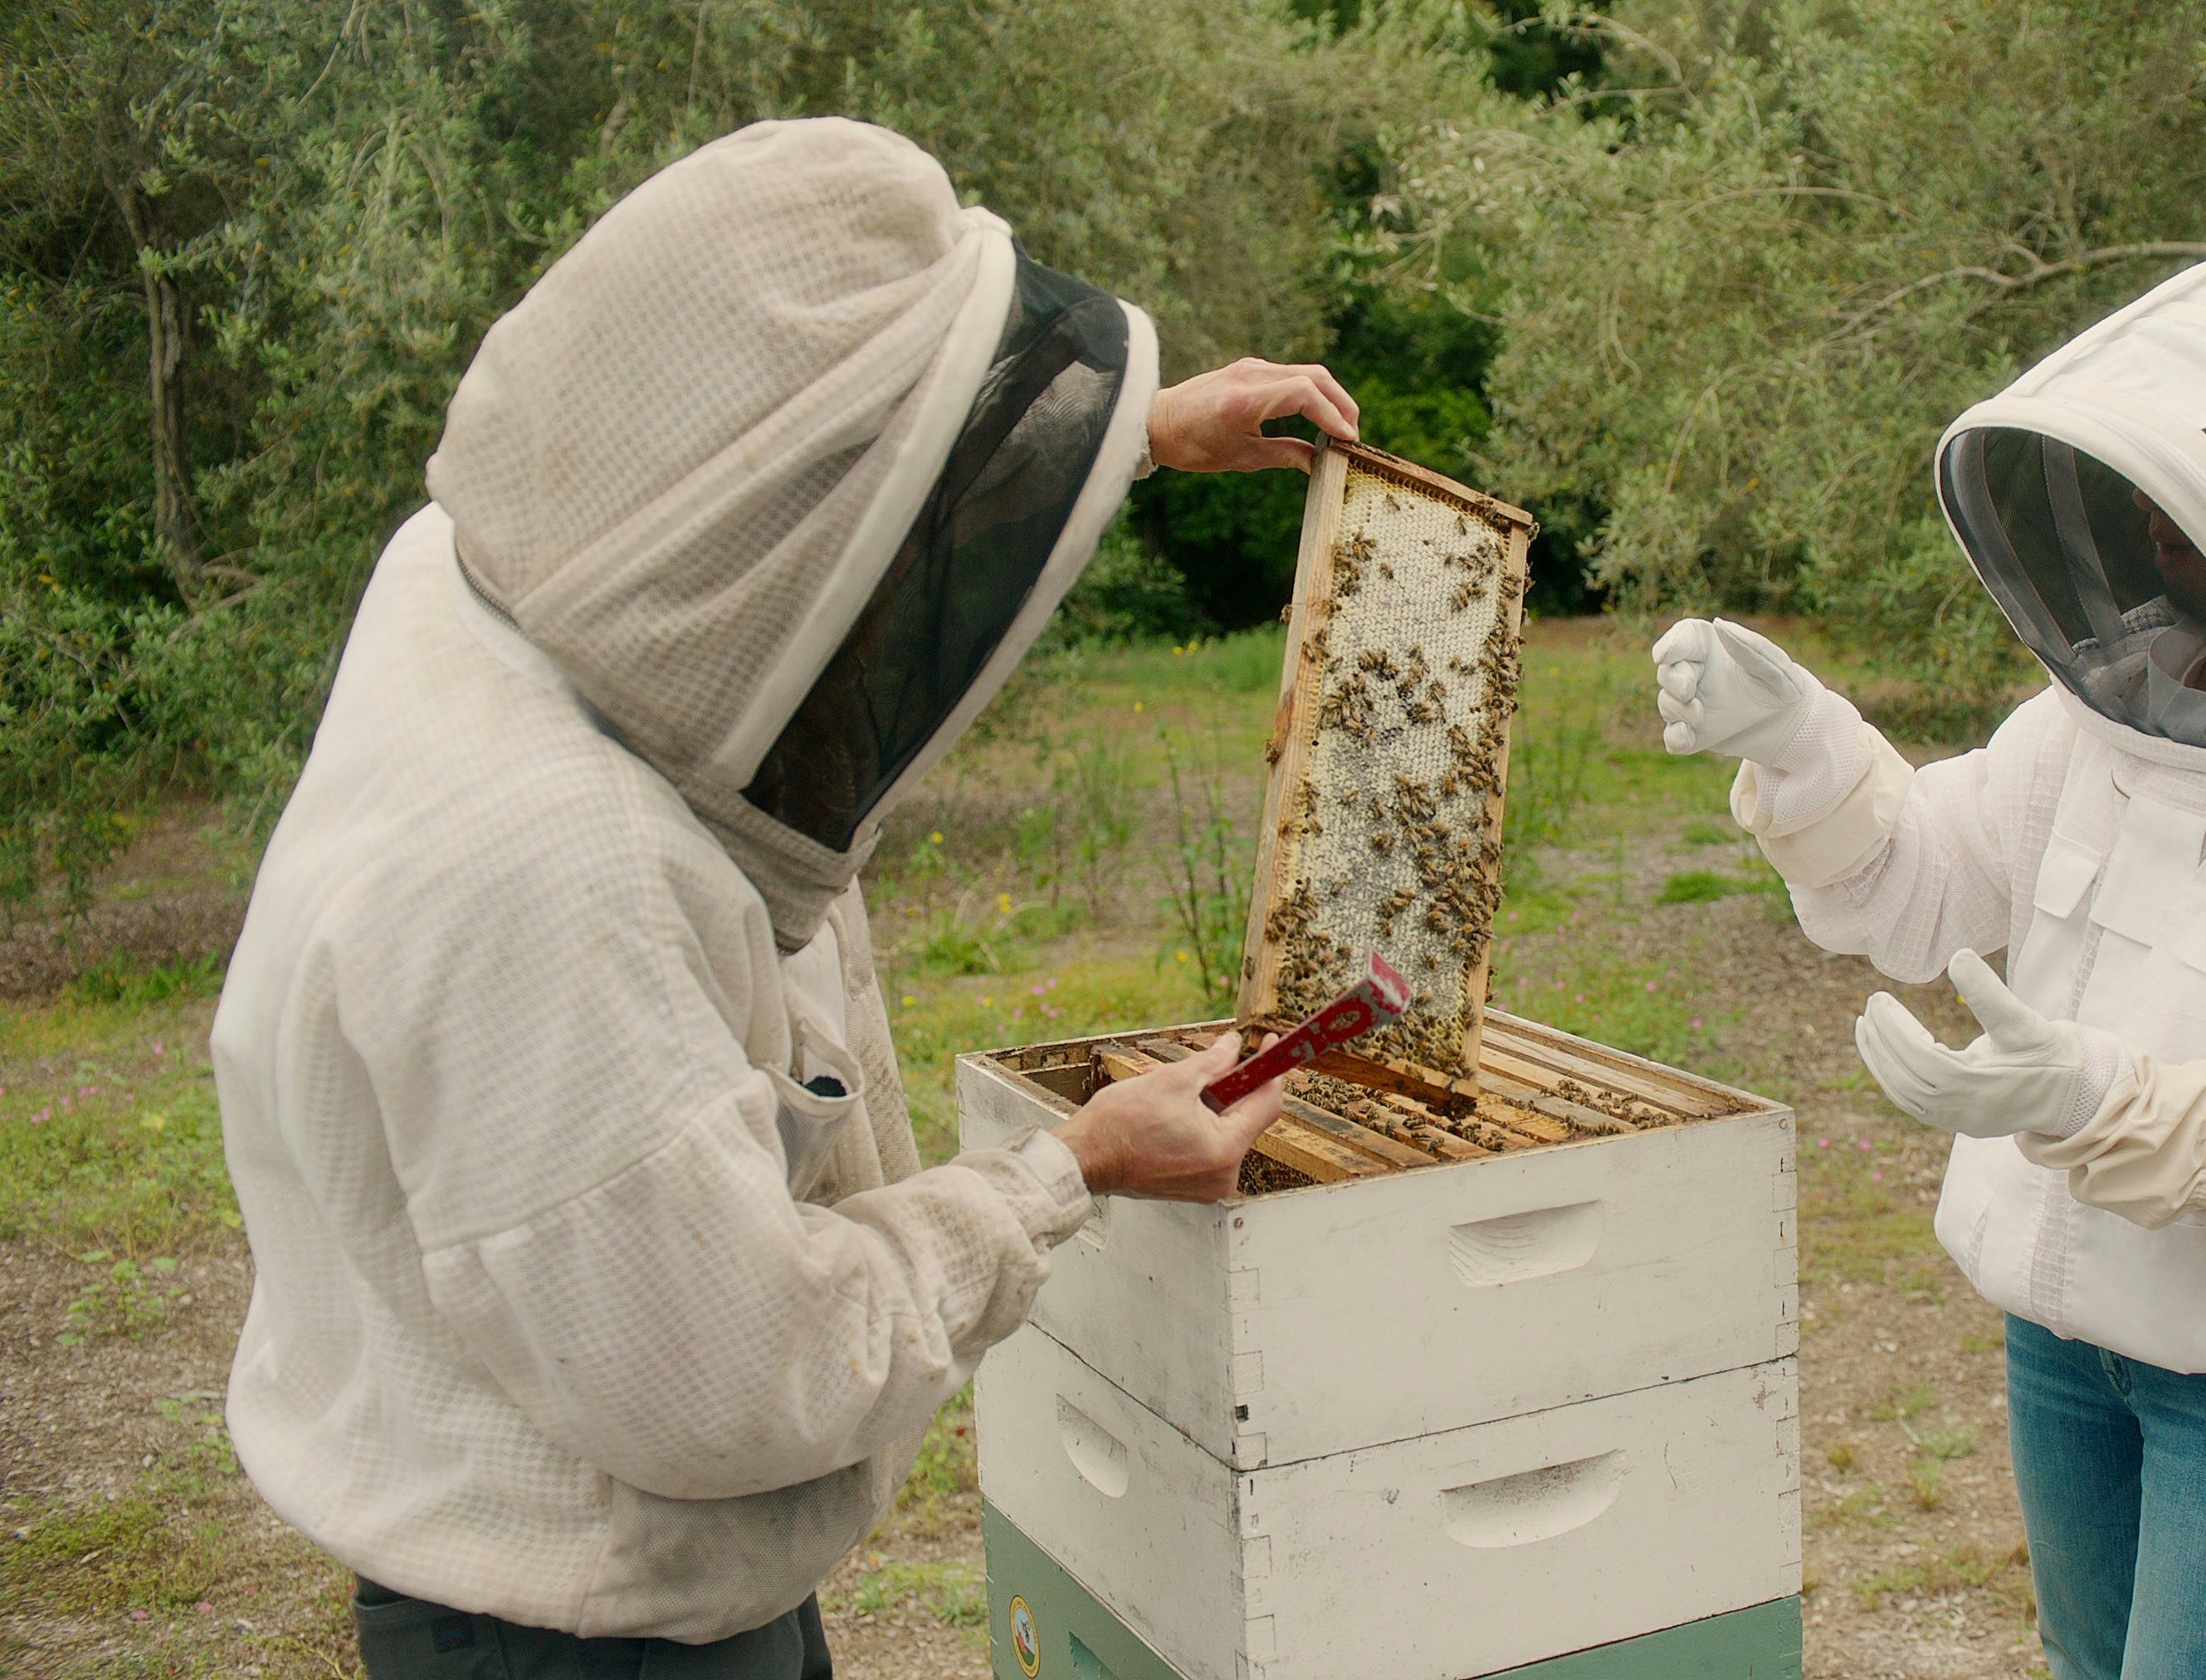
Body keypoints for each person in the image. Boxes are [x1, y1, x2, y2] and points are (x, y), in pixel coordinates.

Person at [212, 119, 1353, 1675]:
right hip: (587, 1629)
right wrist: (1069, 1170)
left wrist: (1120, 435)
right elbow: (728, 1383)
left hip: (628, 1570)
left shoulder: (486, 566)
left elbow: (767, 500)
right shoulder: (551, 876)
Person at [1652, 240, 2206, 1678]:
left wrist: (2103, 1105)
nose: (2154, 510)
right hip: (2063, 1340)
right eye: (2149, 467)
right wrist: (1803, 743)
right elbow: (1921, 888)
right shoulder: (2116, 705)